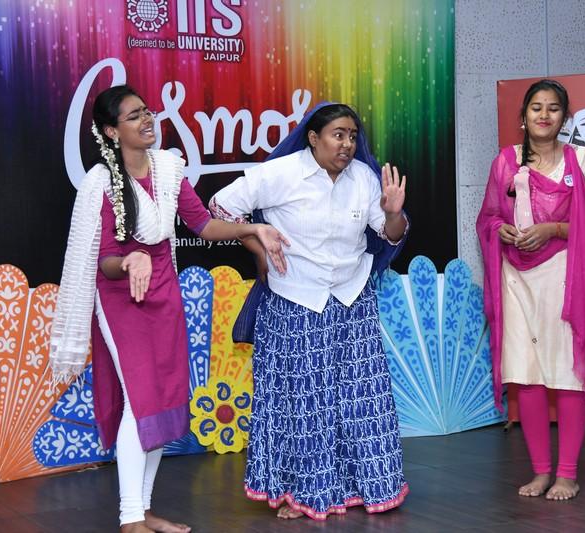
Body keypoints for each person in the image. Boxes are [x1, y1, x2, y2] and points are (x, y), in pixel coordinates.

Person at [49, 85, 288, 533]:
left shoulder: (168, 168)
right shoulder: (101, 183)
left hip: (163, 293)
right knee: (140, 403)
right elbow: (105, 260)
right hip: (120, 299)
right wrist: (130, 259)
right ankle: (129, 519)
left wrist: (250, 229)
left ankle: (144, 510)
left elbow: (203, 224)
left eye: (147, 112)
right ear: (111, 131)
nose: (147, 120)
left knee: (162, 403)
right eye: (134, 116)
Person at [209, 102, 410, 520]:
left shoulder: (363, 178)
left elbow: (389, 234)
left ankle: (363, 486)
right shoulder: (280, 174)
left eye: (352, 136)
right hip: (295, 302)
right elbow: (220, 207)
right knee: (304, 402)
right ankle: (303, 491)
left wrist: (393, 213)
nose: (347, 144)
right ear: (314, 138)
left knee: (361, 399)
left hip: (352, 301)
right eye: (338, 135)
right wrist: (257, 243)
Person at [476, 79, 585, 501]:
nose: (544, 115)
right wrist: (502, 231)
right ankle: (540, 472)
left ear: (564, 118)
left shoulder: (581, 160)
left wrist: (553, 229)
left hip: (565, 277)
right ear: (523, 116)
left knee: (567, 373)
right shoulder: (506, 162)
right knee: (526, 374)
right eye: (536, 107)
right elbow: (489, 217)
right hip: (516, 278)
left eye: (553, 108)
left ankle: (567, 474)